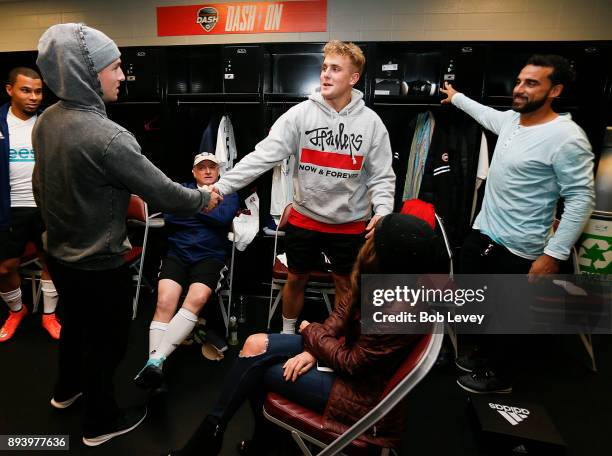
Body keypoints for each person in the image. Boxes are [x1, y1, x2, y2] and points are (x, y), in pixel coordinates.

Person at [32, 23, 220, 446]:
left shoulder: (47, 120)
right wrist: (204, 198)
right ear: (87, 72)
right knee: (109, 344)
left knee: (75, 327)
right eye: (116, 67)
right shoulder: (109, 136)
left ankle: (66, 391)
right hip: (99, 263)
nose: (123, 76)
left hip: (60, 257)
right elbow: (164, 193)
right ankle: (100, 423)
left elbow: (40, 187)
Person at [165, 213, 446, 456]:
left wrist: (311, 333)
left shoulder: (401, 307)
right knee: (254, 344)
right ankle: (218, 433)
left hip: (360, 397)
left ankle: (250, 443)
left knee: (260, 371)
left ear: (389, 256)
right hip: (346, 360)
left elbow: (352, 363)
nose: (367, 237)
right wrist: (314, 347)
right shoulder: (389, 278)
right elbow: (344, 311)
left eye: (375, 236)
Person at [213, 40, 395, 335]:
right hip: (305, 216)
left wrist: (384, 211)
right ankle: (287, 334)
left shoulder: (372, 123)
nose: (326, 74)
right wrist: (221, 187)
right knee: (295, 278)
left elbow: (382, 175)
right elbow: (261, 156)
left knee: (345, 285)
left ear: (353, 78)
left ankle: (339, 340)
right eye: (324, 67)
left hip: (349, 223)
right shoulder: (300, 115)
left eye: (335, 69)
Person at [440, 54, 595, 393]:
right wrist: (456, 97)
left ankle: (501, 377)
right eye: (520, 81)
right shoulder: (512, 121)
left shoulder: (567, 137)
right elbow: (484, 113)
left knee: (507, 318)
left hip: (521, 247)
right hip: (484, 235)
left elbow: (582, 198)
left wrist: (553, 255)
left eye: (532, 83)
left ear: (555, 90)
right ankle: (484, 356)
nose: (520, 89)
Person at [134, 152, 240, 391]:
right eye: (201, 168)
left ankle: (154, 362)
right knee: (164, 302)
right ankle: (156, 367)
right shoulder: (181, 188)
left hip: (210, 256)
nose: (207, 171)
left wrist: (190, 209)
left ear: (219, 170)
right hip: (178, 253)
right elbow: (171, 215)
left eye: (212, 167)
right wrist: (204, 207)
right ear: (194, 172)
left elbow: (222, 218)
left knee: (197, 299)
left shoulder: (228, 191)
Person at [0, 67, 61, 342]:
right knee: (4, 267)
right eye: (26, 90)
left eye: (38, 91)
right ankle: (17, 309)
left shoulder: (49, 122)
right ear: (10, 90)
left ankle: (49, 315)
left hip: (46, 205)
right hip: (9, 207)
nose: (34, 97)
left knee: (51, 260)